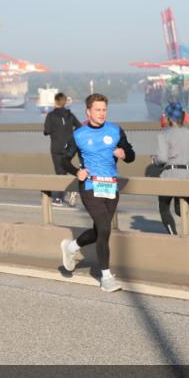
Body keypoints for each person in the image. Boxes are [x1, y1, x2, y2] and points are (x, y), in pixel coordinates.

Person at [59, 93, 135, 292]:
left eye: (104, 110)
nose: (102, 113)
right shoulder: (79, 135)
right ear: (88, 111)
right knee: (104, 228)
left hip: (111, 187)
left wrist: (123, 154)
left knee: (100, 230)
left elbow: (131, 155)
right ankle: (106, 277)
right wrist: (77, 171)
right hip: (90, 187)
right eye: (97, 110)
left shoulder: (116, 131)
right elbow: (64, 160)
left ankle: (71, 247)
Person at [154, 103, 189, 237]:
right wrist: (185, 162)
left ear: (168, 118)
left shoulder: (164, 135)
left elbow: (162, 159)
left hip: (169, 174)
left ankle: (173, 236)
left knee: (164, 208)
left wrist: (154, 161)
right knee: (181, 208)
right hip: (186, 175)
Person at [44, 92, 82, 206]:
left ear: (55, 102)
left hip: (56, 147)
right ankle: (74, 188)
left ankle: (59, 198)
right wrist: (70, 134)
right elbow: (79, 127)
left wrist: (56, 130)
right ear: (65, 102)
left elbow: (46, 131)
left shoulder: (51, 115)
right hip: (70, 147)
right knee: (65, 169)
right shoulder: (70, 115)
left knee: (60, 172)